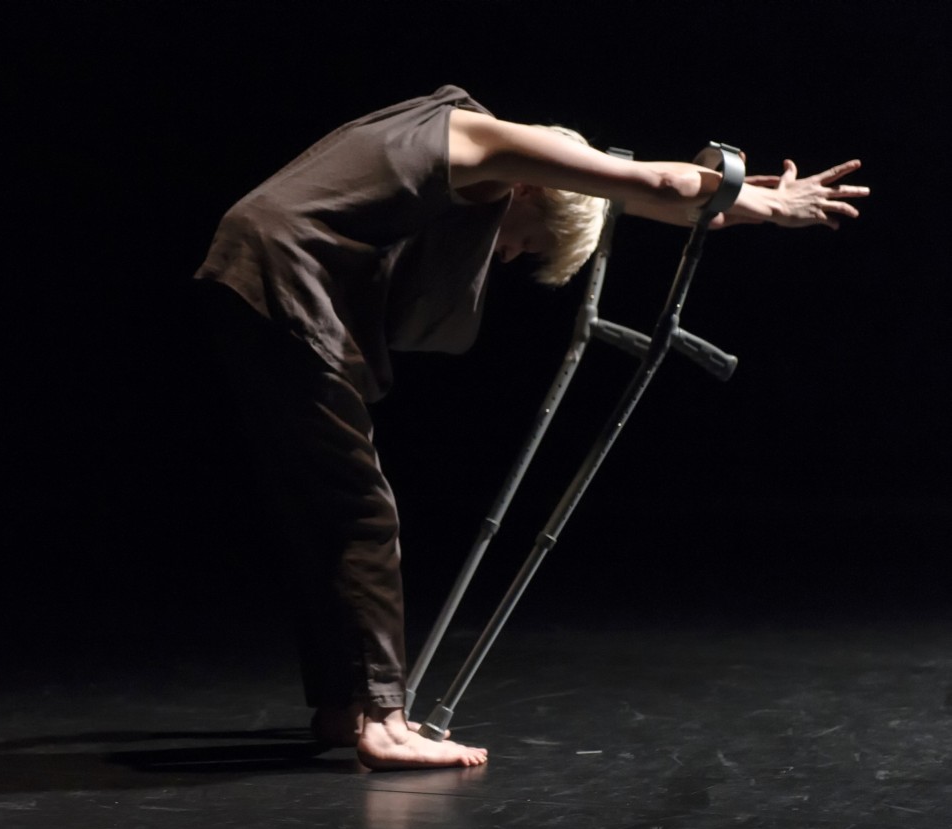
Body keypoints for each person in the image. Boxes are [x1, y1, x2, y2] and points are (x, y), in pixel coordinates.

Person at [193, 85, 867, 771]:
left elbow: (634, 194)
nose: (508, 256)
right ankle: (386, 722)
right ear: (528, 192)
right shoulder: (489, 142)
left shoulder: (473, 143)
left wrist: (739, 202)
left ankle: (345, 705)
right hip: (282, 272)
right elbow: (656, 178)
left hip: (253, 268)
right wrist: (774, 205)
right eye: (526, 242)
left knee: (322, 502)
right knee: (362, 512)